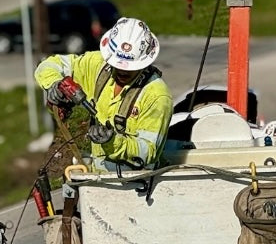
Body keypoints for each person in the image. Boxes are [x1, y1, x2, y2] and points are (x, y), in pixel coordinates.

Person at [35, 16, 173, 170]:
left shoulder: (157, 96)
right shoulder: (97, 66)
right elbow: (49, 64)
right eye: (117, 64)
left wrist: (113, 142)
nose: (122, 70)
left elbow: (149, 152)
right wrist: (54, 83)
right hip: (98, 177)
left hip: (137, 183)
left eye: (129, 67)